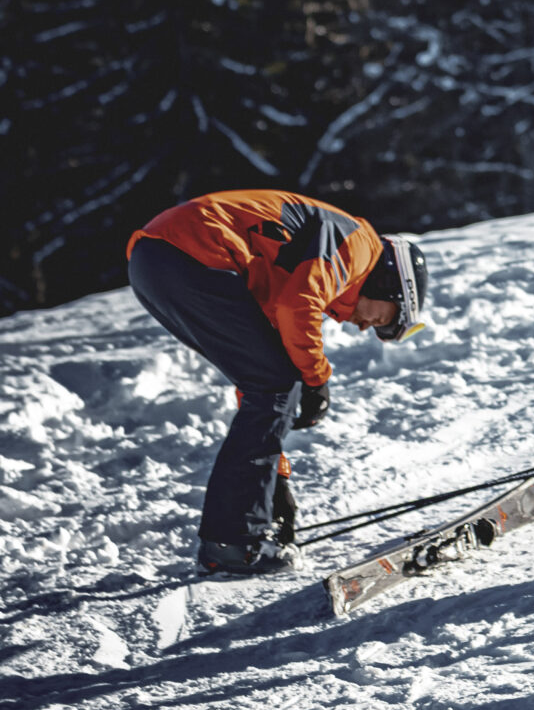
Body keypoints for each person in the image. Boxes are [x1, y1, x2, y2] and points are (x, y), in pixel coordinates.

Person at [127, 190, 426, 575]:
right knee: (278, 383)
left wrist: (275, 482)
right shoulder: (360, 245)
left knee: (269, 382)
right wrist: (317, 379)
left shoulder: (299, 266)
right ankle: (232, 542)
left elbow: (260, 382)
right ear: (392, 285)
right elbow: (297, 306)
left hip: (155, 260)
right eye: (389, 320)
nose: (372, 328)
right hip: (193, 255)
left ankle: (239, 531)